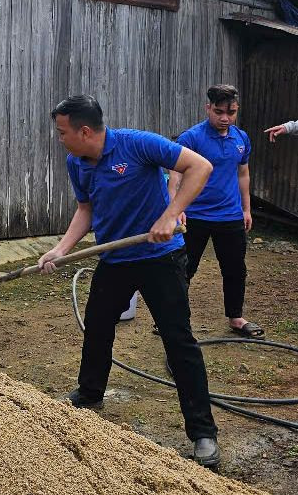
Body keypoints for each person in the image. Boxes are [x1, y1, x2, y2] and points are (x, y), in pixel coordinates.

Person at [38, 95, 221, 467]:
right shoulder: (77, 162)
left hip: (160, 258)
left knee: (178, 340)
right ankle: (90, 394)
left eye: (62, 132)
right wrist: (61, 249)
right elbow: (86, 209)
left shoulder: (137, 144)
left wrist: (171, 214)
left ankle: (203, 432)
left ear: (84, 131)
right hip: (116, 259)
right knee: (98, 327)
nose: (59, 139)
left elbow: (200, 166)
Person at [170, 85, 261, 338]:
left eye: (231, 113)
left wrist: (246, 209)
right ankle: (172, 319)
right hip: (194, 215)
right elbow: (175, 175)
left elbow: (243, 174)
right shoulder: (191, 138)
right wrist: (175, 209)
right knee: (183, 268)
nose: (225, 118)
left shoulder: (241, 138)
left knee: (235, 269)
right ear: (208, 108)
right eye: (219, 112)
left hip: (230, 215)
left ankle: (236, 318)